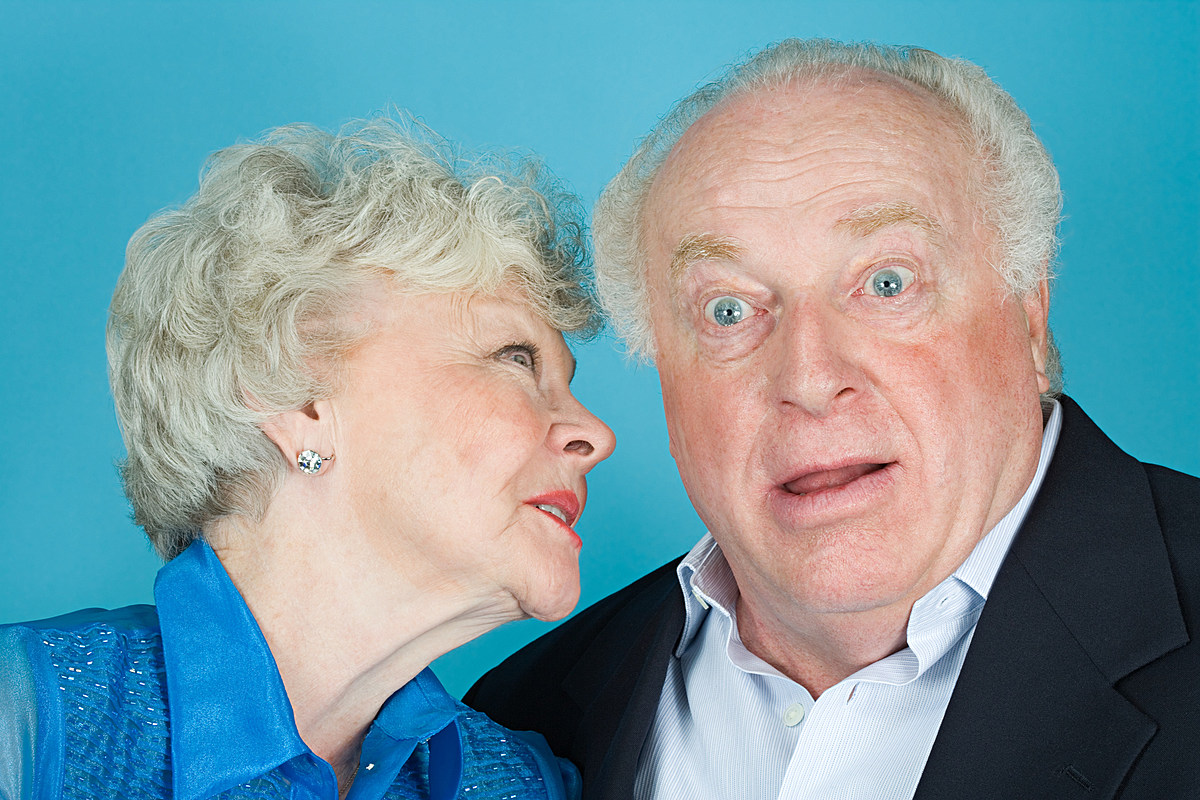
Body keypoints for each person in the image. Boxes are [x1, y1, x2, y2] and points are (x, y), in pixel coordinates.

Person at [466, 39, 1200, 799]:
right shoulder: (519, 726)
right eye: (728, 311)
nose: (811, 381)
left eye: (887, 283)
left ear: (1029, 311)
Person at [0, 117, 615, 799]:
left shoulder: (524, 786)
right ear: (297, 405)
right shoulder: (24, 720)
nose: (595, 434)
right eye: (516, 359)